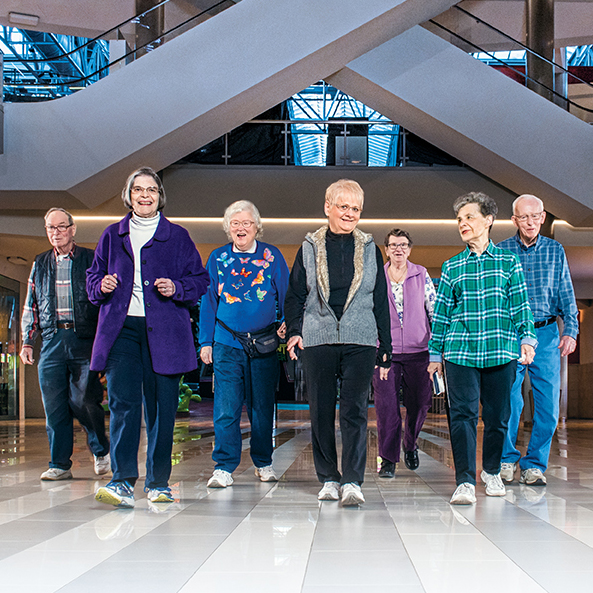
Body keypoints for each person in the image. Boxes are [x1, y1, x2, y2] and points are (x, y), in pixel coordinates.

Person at [86, 167, 209, 508]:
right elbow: (92, 279)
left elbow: (200, 281)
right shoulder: (112, 235)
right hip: (122, 329)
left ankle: (158, 482)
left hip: (165, 330)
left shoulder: (178, 236)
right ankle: (122, 481)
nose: (144, 195)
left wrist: (177, 287)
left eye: (151, 190)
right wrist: (102, 285)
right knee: (124, 405)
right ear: (129, 195)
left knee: (162, 410)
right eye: (138, 189)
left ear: (159, 196)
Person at [284, 179, 391, 506]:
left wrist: (385, 345)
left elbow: (380, 299)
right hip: (319, 339)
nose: (350, 213)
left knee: (355, 411)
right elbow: (295, 296)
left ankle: (353, 482)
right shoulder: (309, 247)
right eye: (343, 206)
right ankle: (329, 478)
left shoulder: (371, 248)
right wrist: (294, 330)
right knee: (319, 410)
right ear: (328, 207)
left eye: (355, 208)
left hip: (360, 339)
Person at [427, 192, 536, 505]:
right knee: (461, 415)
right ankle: (463, 479)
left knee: (499, 415)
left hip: (501, 351)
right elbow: (442, 315)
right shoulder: (452, 267)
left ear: (488, 220)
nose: (463, 224)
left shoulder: (508, 263)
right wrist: (435, 355)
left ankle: (490, 471)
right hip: (460, 353)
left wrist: (527, 338)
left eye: (469, 217)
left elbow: (521, 306)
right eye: (460, 219)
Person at [199, 200, 289, 488]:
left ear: (256, 228)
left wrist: (289, 323)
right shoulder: (216, 258)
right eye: (235, 223)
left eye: (246, 223)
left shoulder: (272, 257)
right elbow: (208, 301)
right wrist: (205, 341)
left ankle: (263, 462)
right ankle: (224, 466)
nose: (241, 228)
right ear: (228, 228)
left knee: (262, 407)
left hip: (264, 344)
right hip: (226, 343)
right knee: (226, 407)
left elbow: (288, 296)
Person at [20, 208, 110, 481]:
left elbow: (103, 302)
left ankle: (100, 449)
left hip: (84, 338)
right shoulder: (40, 263)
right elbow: (31, 304)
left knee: (84, 398)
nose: (55, 233)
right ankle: (59, 464)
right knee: (55, 405)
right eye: (50, 228)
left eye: (61, 227)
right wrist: (26, 341)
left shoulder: (91, 259)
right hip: (51, 340)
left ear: (72, 229)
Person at [498, 194, 579, 486]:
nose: (530, 222)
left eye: (535, 216)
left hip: (545, 334)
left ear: (543, 217)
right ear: (514, 220)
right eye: (524, 217)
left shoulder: (555, 251)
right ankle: (506, 460)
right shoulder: (501, 251)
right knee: (509, 400)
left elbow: (566, 294)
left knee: (548, 405)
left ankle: (534, 465)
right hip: (511, 334)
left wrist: (571, 329)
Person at [373, 229, 436, 478]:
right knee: (386, 407)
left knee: (420, 403)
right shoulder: (378, 276)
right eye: (393, 245)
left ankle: (410, 444)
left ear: (410, 249)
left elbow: (434, 310)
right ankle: (388, 459)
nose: (398, 249)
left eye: (403, 245)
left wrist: (437, 351)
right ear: (386, 250)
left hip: (419, 352)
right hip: (385, 353)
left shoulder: (421, 274)